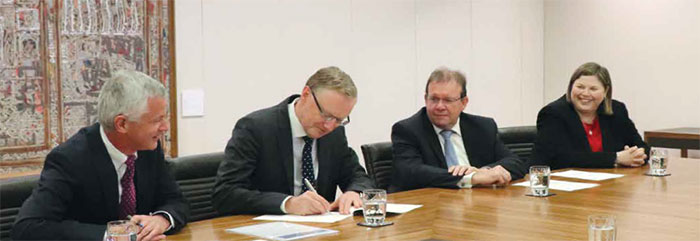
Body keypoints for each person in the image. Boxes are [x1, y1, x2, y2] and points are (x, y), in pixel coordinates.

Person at [12, 70, 188, 240]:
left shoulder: (149, 149)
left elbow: (176, 200)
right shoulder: (70, 159)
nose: (165, 127)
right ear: (122, 124)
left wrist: (162, 219)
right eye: (157, 120)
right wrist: (112, 236)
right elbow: (28, 227)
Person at [213, 66, 373, 216]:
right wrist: (288, 204)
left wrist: (355, 192)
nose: (329, 126)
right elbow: (225, 194)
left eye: (339, 119)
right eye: (326, 115)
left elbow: (357, 176)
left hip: (321, 231)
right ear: (305, 94)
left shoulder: (335, 133)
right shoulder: (256, 128)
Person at [390, 67, 527, 193]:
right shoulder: (407, 130)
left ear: (464, 102)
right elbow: (412, 172)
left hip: (477, 205)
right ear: (425, 99)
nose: (439, 106)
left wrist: (484, 172)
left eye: (448, 100)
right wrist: (471, 178)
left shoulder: (482, 127)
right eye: (434, 99)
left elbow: (515, 163)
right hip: (428, 207)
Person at [532, 62, 648, 170]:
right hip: (567, 185)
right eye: (580, 87)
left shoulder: (616, 110)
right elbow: (560, 158)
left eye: (593, 89)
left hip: (609, 184)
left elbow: (642, 147)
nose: (585, 93)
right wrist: (616, 158)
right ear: (571, 86)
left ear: (606, 91)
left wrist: (636, 155)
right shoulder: (553, 113)